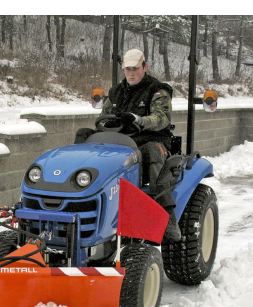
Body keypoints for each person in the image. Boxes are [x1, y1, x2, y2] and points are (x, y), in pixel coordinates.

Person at [75, 48, 181, 241]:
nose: (131, 73)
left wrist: (138, 120)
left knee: (150, 151)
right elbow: (103, 117)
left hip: (151, 140)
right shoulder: (116, 92)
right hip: (120, 140)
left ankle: (167, 216)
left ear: (145, 67)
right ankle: (80, 189)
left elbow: (161, 118)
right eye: (127, 69)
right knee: (83, 134)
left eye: (135, 68)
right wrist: (110, 124)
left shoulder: (157, 90)